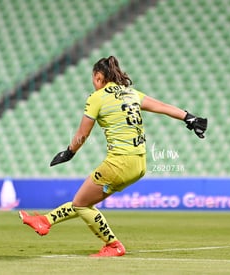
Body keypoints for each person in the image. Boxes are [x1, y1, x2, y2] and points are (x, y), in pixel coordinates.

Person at [19, 56, 207, 257]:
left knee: (81, 204)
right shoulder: (130, 93)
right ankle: (45, 221)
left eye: (93, 78)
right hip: (139, 163)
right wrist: (190, 117)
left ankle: (113, 245)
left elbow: (82, 134)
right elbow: (162, 106)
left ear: (99, 77)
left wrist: (69, 152)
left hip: (120, 162)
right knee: (83, 201)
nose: (93, 82)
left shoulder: (96, 97)